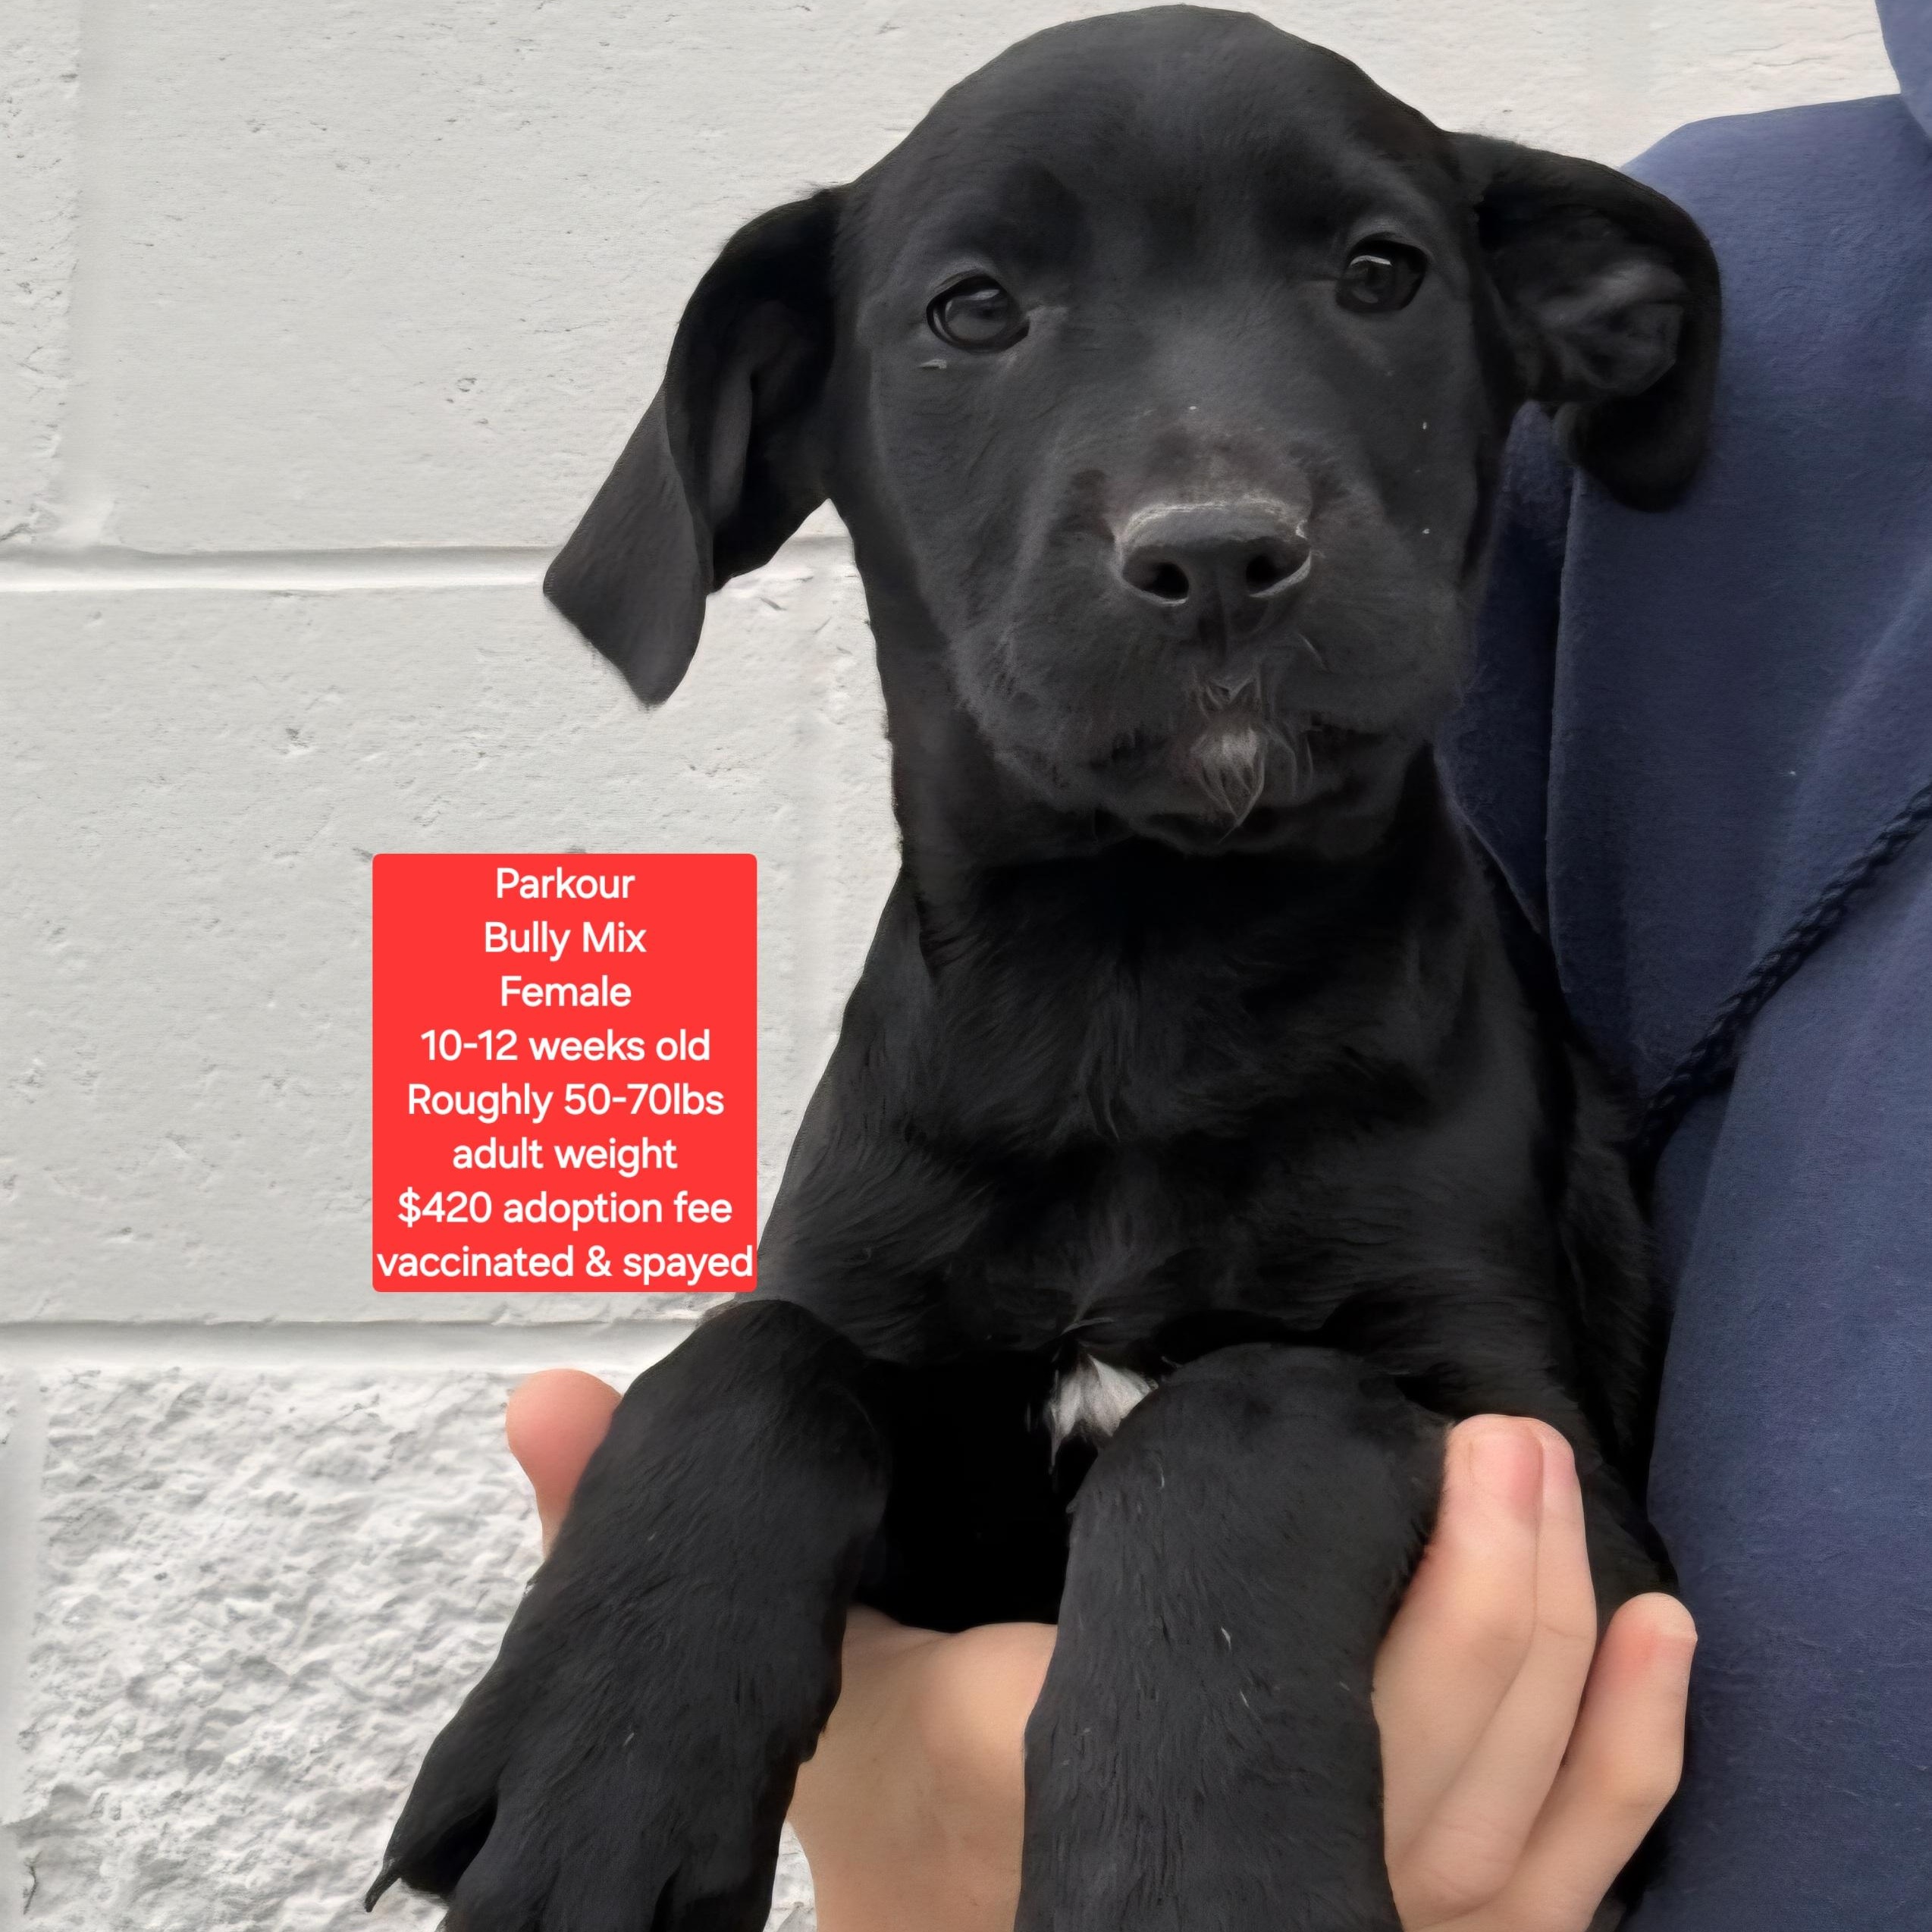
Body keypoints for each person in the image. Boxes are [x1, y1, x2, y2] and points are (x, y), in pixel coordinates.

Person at [497, 5, 1932, 1924]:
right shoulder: (880, 1216)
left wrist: (1248, 1459)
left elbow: (1550, 1538)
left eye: (1365, 274)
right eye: (981, 310)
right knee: (752, 1393)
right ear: (788, 419)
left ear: (1549, 337)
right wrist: (733, 1483)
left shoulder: (1456, 1099)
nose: (1210, 506)